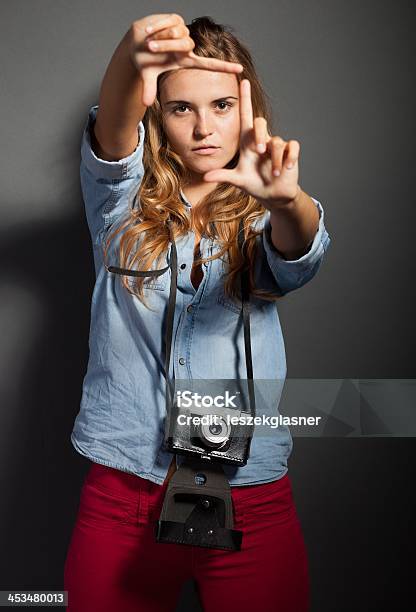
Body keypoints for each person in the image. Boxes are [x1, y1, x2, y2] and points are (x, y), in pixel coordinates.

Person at [64, 13, 331, 612]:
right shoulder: (119, 202)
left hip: (249, 492)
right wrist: (131, 55)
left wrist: (288, 200)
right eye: (181, 107)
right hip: (125, 488)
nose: (204, 126)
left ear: (247, 109)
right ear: (157, 114)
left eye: (221, 106)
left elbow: (298, 257)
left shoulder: (269, 204)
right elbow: (112, 126)